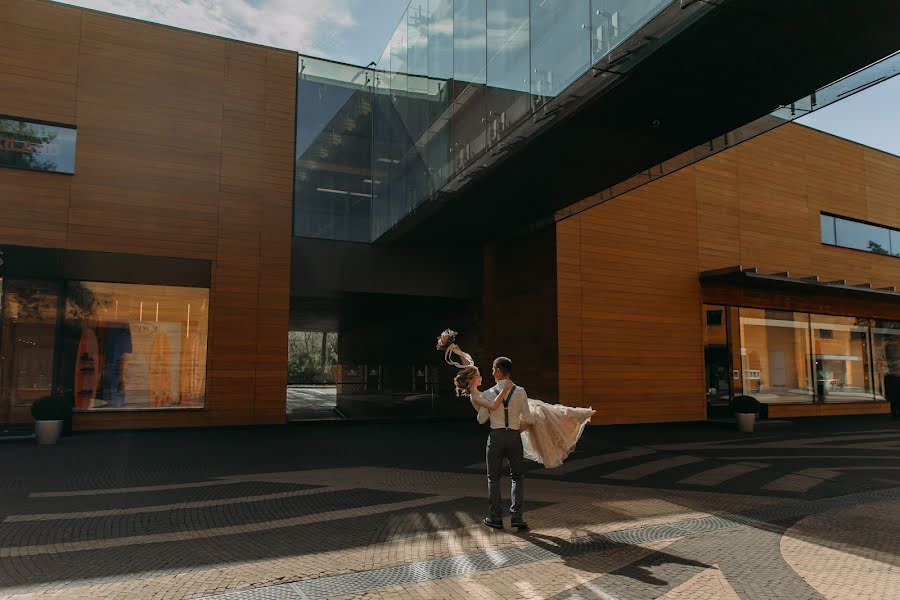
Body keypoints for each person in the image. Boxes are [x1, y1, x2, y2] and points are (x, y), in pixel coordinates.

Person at [453, 358, 531, 530]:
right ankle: (517, 517)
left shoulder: (487, 393)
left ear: (497, 371)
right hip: (514, 437)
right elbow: (529, 419)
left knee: (493, 479)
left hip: (495, 437)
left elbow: (482, 419)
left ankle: (495, 518)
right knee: (517, 477)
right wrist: (516, 429)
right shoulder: (521, 391)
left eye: (492, 369)